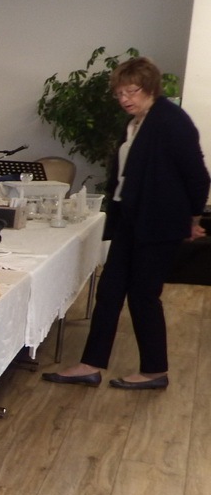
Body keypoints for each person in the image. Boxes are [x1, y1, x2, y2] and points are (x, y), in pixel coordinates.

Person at [43, 57, 209, 390]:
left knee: (143, 295)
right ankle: (90, 365)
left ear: (150, 88)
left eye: (131, 91)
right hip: (131, 218)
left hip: (158, 222)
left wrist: (193, 218)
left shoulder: (171, 120)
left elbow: (198, 175)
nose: (124, 99)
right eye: (119, 93)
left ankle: (155, 371)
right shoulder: (135, 123)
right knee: (110, 290)